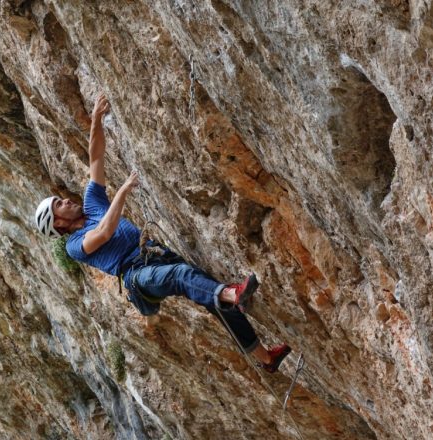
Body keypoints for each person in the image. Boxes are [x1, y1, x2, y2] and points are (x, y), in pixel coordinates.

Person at [34, 94, 291, 373]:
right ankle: (231, 293)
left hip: (154, 253)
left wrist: (96, 119)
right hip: (136, 275)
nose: (67, 201)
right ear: (58, 224)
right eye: (59, 205)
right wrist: (122, 192)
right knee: (182, 277)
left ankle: (267, 358)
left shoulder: (91, 203)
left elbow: (95, 157)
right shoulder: (73, 245)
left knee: (209, 295)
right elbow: (105, 232)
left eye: (61, 199)